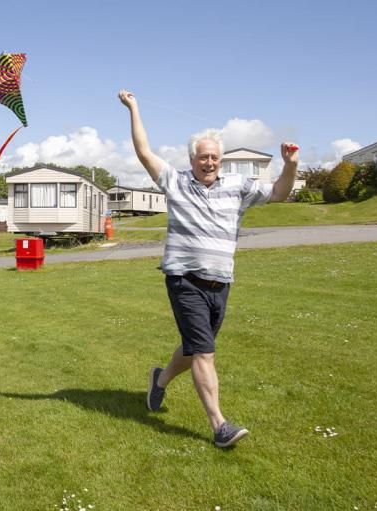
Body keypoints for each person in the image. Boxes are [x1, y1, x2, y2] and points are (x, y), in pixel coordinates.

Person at [118, 89, 298, 448]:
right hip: (184, 280)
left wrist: (290, 164)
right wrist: (134, 107)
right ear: (192, 159)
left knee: (193, 347)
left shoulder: (238, 186)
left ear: (221, 159)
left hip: (221, 283)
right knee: (204, 351)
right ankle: (219, 426)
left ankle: (160, 380)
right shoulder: (176, 181)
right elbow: (143, 152)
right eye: (203, 157)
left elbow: (279, 193)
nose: (209, 162)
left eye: (215, 157)